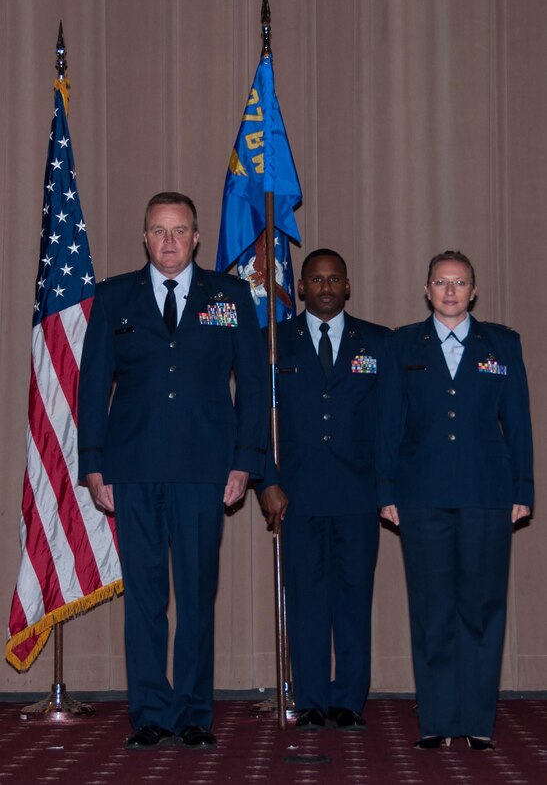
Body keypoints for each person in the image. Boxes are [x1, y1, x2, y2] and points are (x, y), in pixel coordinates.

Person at [78, 192, 267, 750]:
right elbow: (92, 386)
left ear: (197, 237)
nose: (168, 241)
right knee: (144, 599)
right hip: (131, 470)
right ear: (144, 237)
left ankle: (192, 714)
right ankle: (151, 714)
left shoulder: (229, 296)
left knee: (196, 594)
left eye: (179, 230)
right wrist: (93, 463)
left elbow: (253, 386)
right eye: (158, 230)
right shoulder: (114, 297)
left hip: (205, 471)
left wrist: (245, 462)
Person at [377, 250, 533, 750]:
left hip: (487, 494)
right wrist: (386, 490)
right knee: (432, 609)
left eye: (459, 282)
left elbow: (520, 425)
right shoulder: (403, 344)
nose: (449, 291)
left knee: (481, 609)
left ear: (473, 291)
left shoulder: (502, 345)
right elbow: (388, 425)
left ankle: (477, 721)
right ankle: (440, 721)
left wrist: (523, 488)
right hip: (420, 496)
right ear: (427, 290)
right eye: (441, 282)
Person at [258, 249, 389, 730]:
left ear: (348, 286)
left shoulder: (378, 342)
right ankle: (311, 699)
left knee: (353, 600)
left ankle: (349, 700)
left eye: (335, 278)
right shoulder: (272, 342)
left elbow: (392, 423)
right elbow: (254, 421)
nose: (326, 286)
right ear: (302, 287)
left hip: (359, 495)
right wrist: (266, 483)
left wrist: (388, 486)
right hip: (296, 495)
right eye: (316, 279)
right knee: (306, 601)